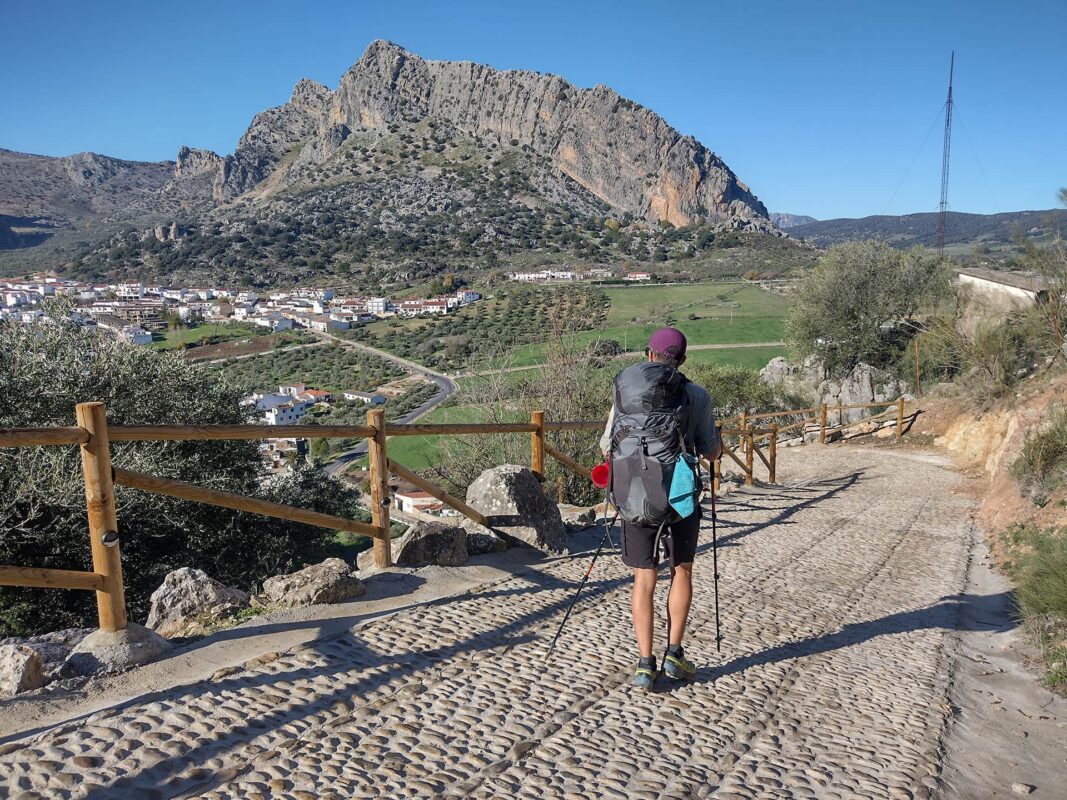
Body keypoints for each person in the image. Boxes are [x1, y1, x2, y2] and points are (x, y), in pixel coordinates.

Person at [599, 327, 720, 690]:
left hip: (637, 494)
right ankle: (674, 654)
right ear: (682, 360)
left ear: (648, 355)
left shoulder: (625, 393)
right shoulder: (695, 394)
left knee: (643, 577)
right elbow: (710, 451)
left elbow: (608, 446)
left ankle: (644, 664)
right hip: (680, 497)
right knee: (681, 571)